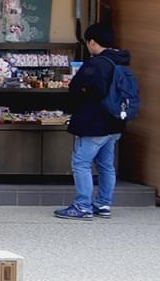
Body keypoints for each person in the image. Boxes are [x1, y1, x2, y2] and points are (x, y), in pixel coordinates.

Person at [55, 23, 130, 221]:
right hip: (115, 122)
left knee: (81, 163)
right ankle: (103, 204)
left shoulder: (95, 64)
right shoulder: (121, 62)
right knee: (106, 165)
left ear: (93, 42)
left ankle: (82, 206)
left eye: (88, 42)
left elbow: (76, 88)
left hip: (94, 124)